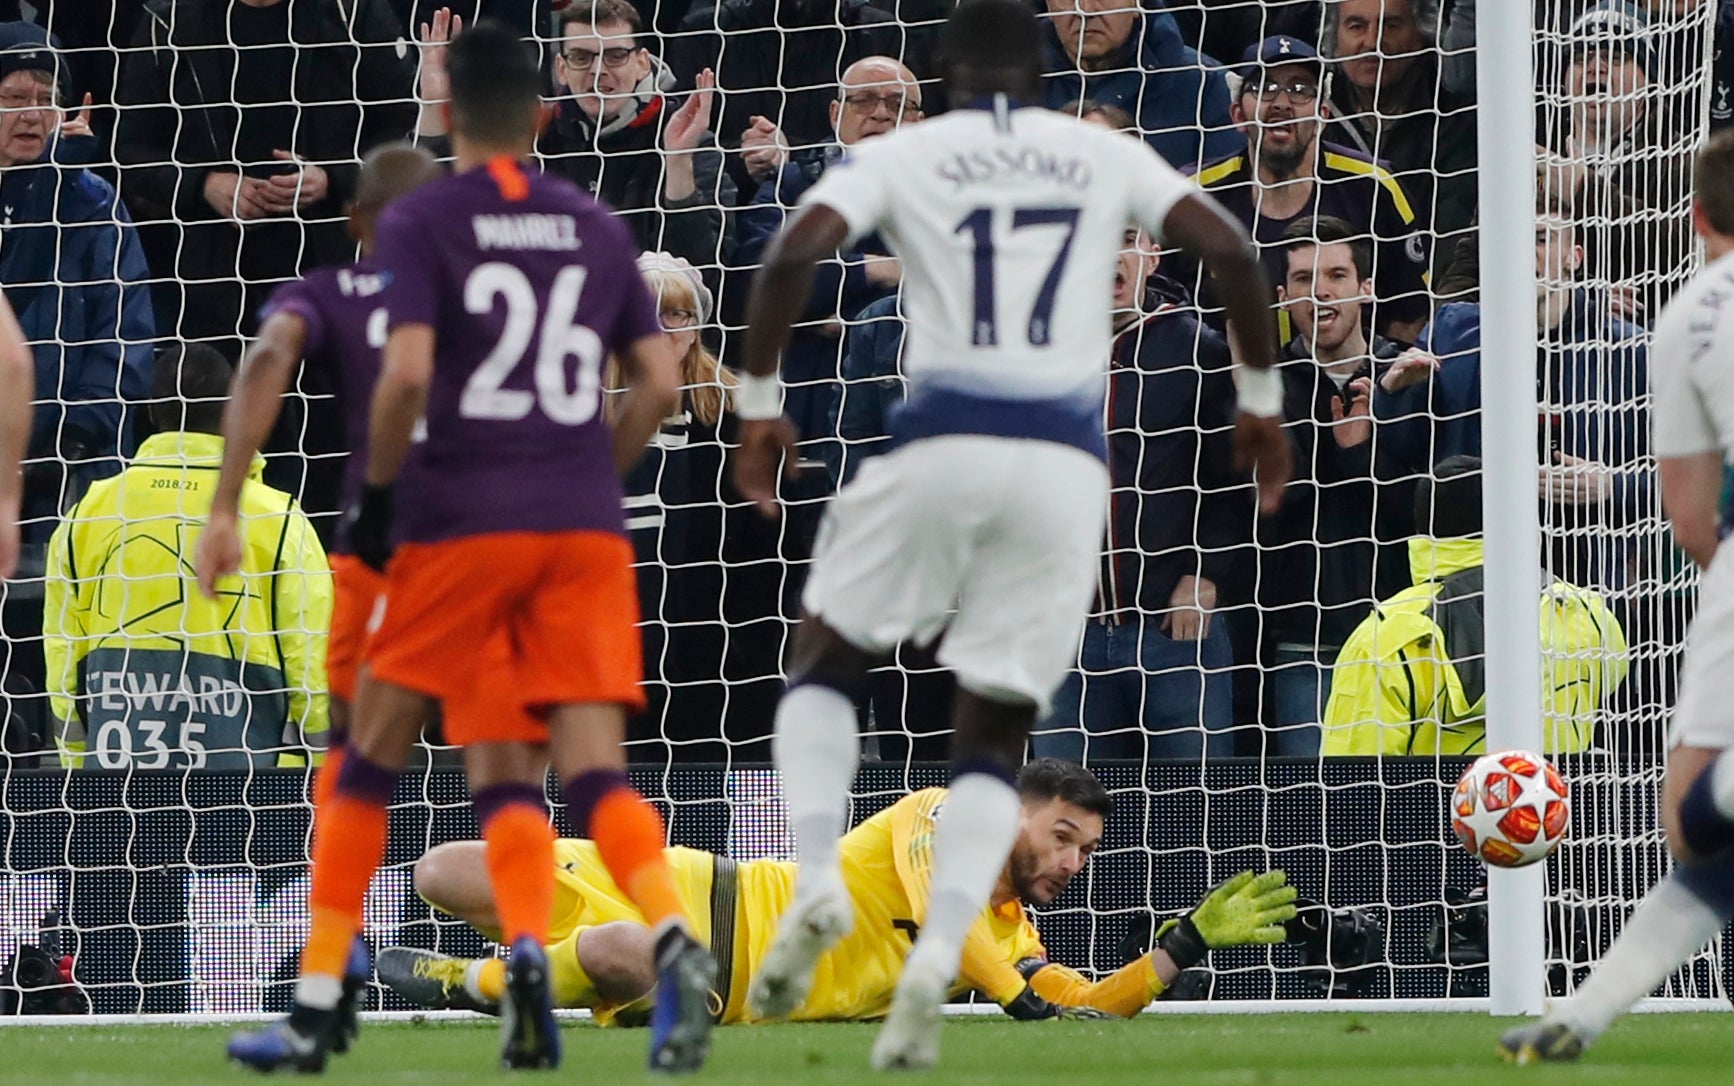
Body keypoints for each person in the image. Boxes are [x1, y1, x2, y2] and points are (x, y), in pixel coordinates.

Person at [731, 0, 1288, 1069]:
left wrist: (760, 404)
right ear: (1041, 69)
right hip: (1065, 466)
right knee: (992, 734)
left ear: (941, 74)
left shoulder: (919, 149)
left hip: (942, 434)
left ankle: (810, 878)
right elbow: (1233, 254)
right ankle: (936, 967)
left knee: (824, 654)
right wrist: (1259, 402)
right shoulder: (1094, 151)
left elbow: (793, 251)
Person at [224, 23, 704, 1075]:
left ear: (447, 111)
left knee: (367, 756)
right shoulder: (591, 221)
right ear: (544, 111)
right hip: (580, 532)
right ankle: (668, 935)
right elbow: (663, 388)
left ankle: (314, 1004)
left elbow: (401, 379)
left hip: (460, 523)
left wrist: (387, 500)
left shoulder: (427, 219)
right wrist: (596, 478)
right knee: (580, 770)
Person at [377, 760, 1298, 1023]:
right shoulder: (937, 814)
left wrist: (1184, 945)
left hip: (716, 979)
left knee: (631, 958)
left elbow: (1091, 1005)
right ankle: (487, 971)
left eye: (1086, 853)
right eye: (1062, 837)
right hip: (694, 883)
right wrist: (1016, 999)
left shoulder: (1010, 944)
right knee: (442, 869)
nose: (1071, 862)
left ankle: (470, 985)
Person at [1494, 128, 1734, 1067]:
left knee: (1695, 817)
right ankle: (1578, 1018)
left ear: (1695, 217)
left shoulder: (1688, 319)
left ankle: (1579, 1014)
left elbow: (1686, 515)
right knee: (1698, 821)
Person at [45, 345, 331, 770]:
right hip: (252, 794)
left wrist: (78, 771)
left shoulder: (88, 512)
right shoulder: (280, 518)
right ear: (232, 407)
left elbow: (62, 660)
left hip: (118, 784)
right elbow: (312, 660)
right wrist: (313, 769)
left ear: (152, 412)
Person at [1030, 229, 1248, 763]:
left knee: (1194, 820)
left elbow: (1236, 477)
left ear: (1151, 255)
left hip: (1173, 633)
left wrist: (1207, 572)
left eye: (1126, 236)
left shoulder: (1197, 349)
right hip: (1065, 637)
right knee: (1065, 822)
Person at [0, 23, 156, 750]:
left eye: (44, 98)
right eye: (13, 99)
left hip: (69, 482)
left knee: (64, 658)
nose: (31, 114)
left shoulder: (92, 203)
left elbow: (126, 333)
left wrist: (74, 437)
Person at [1258, 216, 1431, 753]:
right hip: (1302, 645)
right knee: (1310, 811)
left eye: (1336, 275)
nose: (1322, 292)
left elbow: (1422, 510)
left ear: (1366, 288)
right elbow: (1270, 508)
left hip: (1401, 639)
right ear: (1284, 297)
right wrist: (1346, 451)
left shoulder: (1414, 379)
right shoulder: (1263, 388)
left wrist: (1366, 446)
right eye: (1305, 279)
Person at [1321, 455, 1629, 757]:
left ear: (1421, 527)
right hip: (1556, 803)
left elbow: (1352, 779)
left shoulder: (1385, 636)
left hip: (1436, 808)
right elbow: (1612, 683)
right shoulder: (1585, 611)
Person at [730, 55, 920, 456]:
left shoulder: (948, 199)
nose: (882, 114)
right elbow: (755, 283)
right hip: (809, 421)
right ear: (836, 113)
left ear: (919, 122)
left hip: (916, 410)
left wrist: (823, 309)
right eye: (865, 100)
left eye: (897, 103)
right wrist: (882, 270)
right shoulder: (794, 186)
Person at [1191, 36, 1431, 343]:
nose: (1281, 103)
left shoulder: (1375, 187)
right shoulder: (1194, 197)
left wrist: (1380, 385)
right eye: (1264, 88)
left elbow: (1409, 315)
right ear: (1237, 114)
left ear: (1323, 115)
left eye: (1300, 90)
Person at [539, 0, 733, 272]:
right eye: (581, 57)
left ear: (642, 63)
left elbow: (706, 278)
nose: (598, 71)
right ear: (561, 68)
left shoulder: (689, 140)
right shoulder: (536, 138)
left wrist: (678, 166)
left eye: (615, 55)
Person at [1320, 0, 1477, 284]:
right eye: (1356, 26)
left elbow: (1453, 235)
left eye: (1391, 25)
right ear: (1334, 39)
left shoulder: (1455, 115)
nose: (1372, 42)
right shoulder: (1315, 115)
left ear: (1421, 35)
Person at [1038, 0, 1241, 173]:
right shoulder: (1016, 86)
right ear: (1049, 5)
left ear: (1138, 3)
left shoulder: (1208, 85)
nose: (1086, 10)